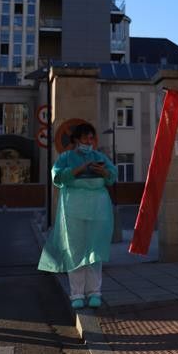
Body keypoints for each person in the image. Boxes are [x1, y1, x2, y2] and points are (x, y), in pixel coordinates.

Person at [38, 122, 117, 309]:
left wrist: (104, 172)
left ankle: (95, 292)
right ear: (76, 140)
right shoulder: (66, 157)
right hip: (74, 208)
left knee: (95, 250)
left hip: (98, 208)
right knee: (76, 249)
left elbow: (112, 176)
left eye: (91, 138)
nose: (89, 142)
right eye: (85, 138)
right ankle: (77, 294)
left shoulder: (100, 157)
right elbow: (57, 177)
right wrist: (79, 169)